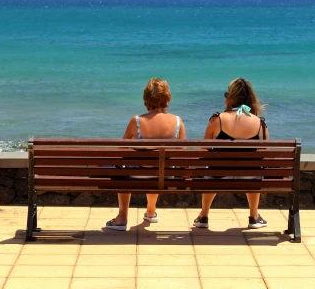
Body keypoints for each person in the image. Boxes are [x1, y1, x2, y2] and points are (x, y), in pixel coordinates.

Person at [106, 77, 187, 230]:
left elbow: (121, 150)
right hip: (164, 176)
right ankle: (150, 212)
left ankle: (122, 217)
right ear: (167, 98)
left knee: (123, 168)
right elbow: (182, 155)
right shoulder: (177, 121)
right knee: (158, 166)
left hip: (137, 174)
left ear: (146, 99)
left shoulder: (136, 121)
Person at [193, 77, 268, 230]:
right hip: (249, 175)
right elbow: (264, 155)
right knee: (255, 171)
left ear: (230, 97)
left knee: (211, 171)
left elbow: (203, 151)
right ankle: (253, 216)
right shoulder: (260, 123)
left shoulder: (217, 120)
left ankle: (204, 215)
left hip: (218, 174)